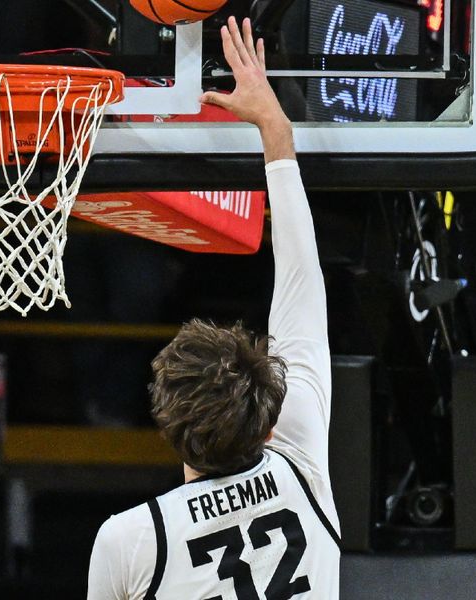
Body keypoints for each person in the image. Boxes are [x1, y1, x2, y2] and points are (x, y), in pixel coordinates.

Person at [87, 16, 340, 600]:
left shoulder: (130, 542)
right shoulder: (298, 458)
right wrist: (274, 126)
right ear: (270, 422)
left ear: (169, 427)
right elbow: (303, 277)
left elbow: (303, 279)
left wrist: (272, 128)